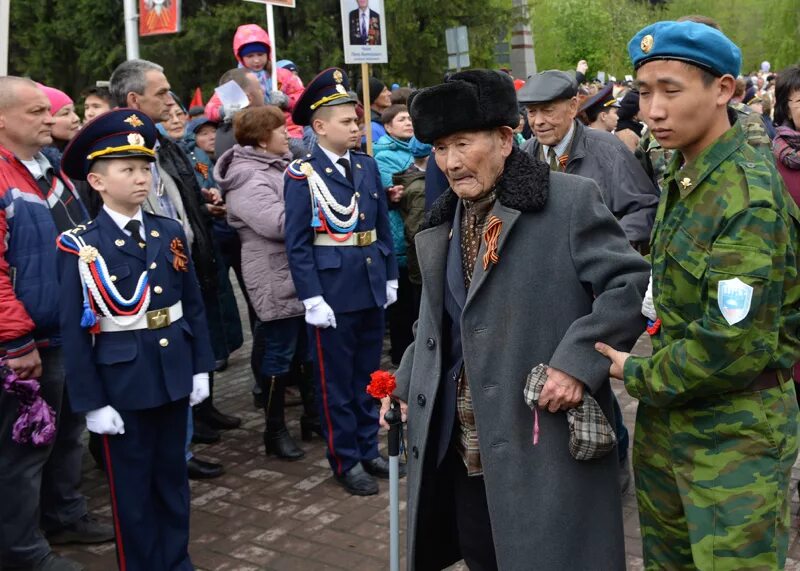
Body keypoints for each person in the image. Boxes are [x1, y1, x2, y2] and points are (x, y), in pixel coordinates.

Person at [386, 69, 649, 570]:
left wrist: (575, 363)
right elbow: (436, 323)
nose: (452, 162)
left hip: (537, 440)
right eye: (440, 148)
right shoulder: (444, 221)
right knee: (483, 553)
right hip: (462, 441)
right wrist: (404, 382)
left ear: (506, 139)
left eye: (463, 143)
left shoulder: (568, 200)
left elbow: (628, 285)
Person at [596, 21, 800, 570]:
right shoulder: (684, 170)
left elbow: (733, 346)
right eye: (643, 92)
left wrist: (632, 374)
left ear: (724, 90)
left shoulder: (748, 197)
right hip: (671, 419)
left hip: (734, 435)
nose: (652, 110)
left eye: (671, 90)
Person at [56, 108, 215, 571]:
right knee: (133, 490)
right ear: (98, 181)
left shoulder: (166, 232)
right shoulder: (81, 244)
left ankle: (176, 559)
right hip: (122, 384)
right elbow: (75, 329)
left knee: (172, 481)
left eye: (145, 168)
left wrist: (200, 365)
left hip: (171, 375)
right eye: (127, 170)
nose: (142, 178)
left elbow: (193, 304)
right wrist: (91, 403)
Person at [0, 77, 114, 571]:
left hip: (68, 331)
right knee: (23, 452)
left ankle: (63, 513)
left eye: (51, 110)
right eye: (37, 111)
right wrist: (15, 340)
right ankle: (22, 550)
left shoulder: (52, 168)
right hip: (28, 343)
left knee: (68, 434)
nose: (50, 118)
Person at [109, 59, 242, 447]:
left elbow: (175, 193)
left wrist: (202, 202)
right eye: (162, 92)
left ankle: (200, 414)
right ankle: (178, 445)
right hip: (150, 276)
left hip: (189, 258)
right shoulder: (114, 148)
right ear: (135, 99)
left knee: (197, 339)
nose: (171, 100)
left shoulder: (162, 143)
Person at [284, 68, 400, 496]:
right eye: (348, 121)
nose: (356, 126)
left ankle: (369, 447)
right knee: (336, 381)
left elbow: (381, 227)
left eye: (356, 120)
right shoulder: (302, 174)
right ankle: (345, 458)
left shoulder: (366, 166)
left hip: (370, 283)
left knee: (370, 377)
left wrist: (389, 276)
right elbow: (298, 243)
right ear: (319, 127)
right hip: (333, 293)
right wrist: (312, 296)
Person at [216, 105, 320, 459]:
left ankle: (314, 417)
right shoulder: (247, 176)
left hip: (293, 270)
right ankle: (274, 431)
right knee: (279, 353)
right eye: (280, 130)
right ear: (262, 139)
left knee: (305, 349)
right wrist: (320, 207)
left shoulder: (277, 166)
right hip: (273, 274)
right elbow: (277, 223)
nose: (288, 135)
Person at [518, 70, 659, 251]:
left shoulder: (609, 152)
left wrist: (606, 246)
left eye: (548, 111)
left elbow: (645, 209)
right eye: (531, 112)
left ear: (572, 107)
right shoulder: (524, 155)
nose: (538, 121)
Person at [374, 104, 416, 363]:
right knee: (402, 306)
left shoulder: (417, 147)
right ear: (388, 127)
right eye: (401, 119)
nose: (408, 122)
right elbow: (397, 189)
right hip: (399, 233)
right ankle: (401, 354)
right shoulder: (383, 155)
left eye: (410, 118)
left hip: (415, 230)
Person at [356, 76, 391, 143]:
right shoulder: (371, 128)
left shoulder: (382, 120)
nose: (389, 93)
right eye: (384, 91)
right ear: (373, 97)